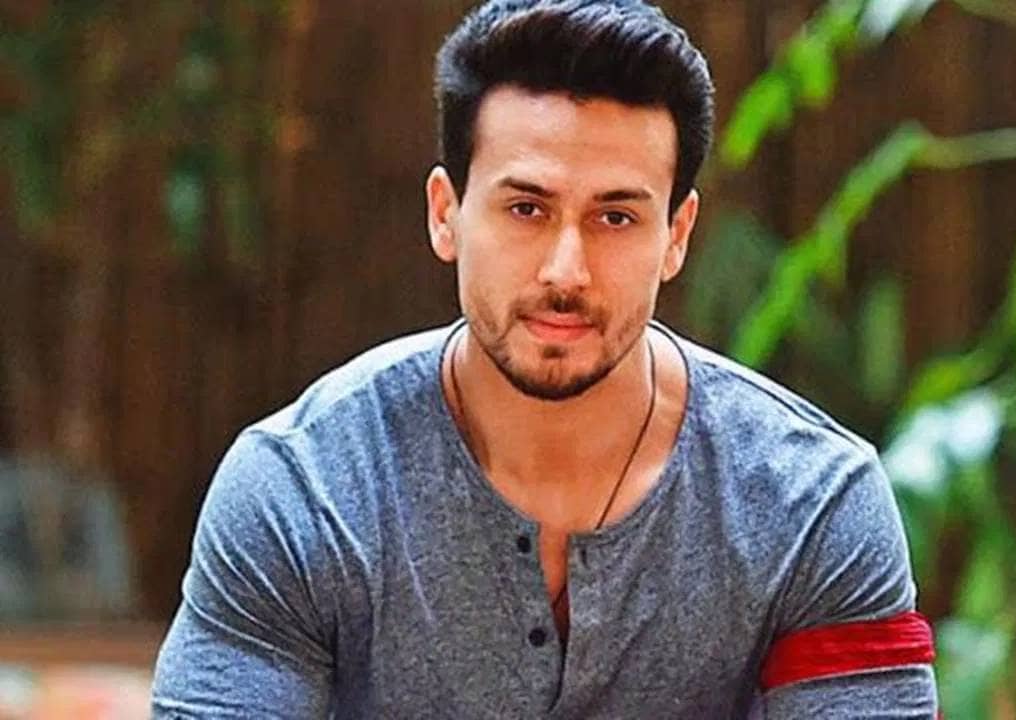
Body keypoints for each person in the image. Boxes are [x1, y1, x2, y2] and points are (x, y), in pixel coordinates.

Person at [151, 1, 939, 717]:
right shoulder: (306, 489)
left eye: (616, 217)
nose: (567, 270)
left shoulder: (809, 503)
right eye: (526, 208)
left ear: (676, 235)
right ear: (446, 214)